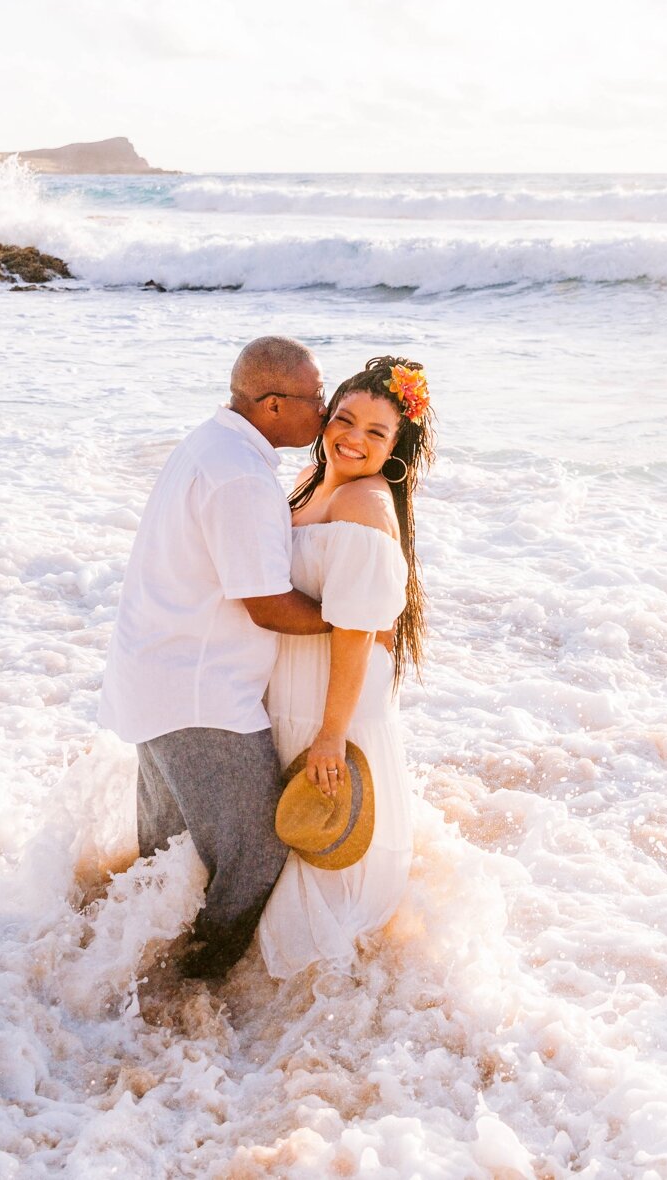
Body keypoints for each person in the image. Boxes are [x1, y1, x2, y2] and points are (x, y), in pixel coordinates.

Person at [97, 336, 331, 979]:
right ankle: (197, 982)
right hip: (201, 696)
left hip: (159, 675)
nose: (326, 409)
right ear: (275, 404)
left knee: (168, 861)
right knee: (256, 850)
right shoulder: (240, 477)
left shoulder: (212, 444)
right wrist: (355, 625)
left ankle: (124, 978)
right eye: (317, 398)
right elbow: (267, 605)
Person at [257, 356, 435, 979]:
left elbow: (358, 633)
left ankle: (332, 998)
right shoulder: (312, 479)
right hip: (298, 688)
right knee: (295, 829)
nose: (353, 438)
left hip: (331, 697)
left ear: (394, 450)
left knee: (325, 834)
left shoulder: (364, 502)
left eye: (375, 433)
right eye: (344, 419)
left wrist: (331, 735)